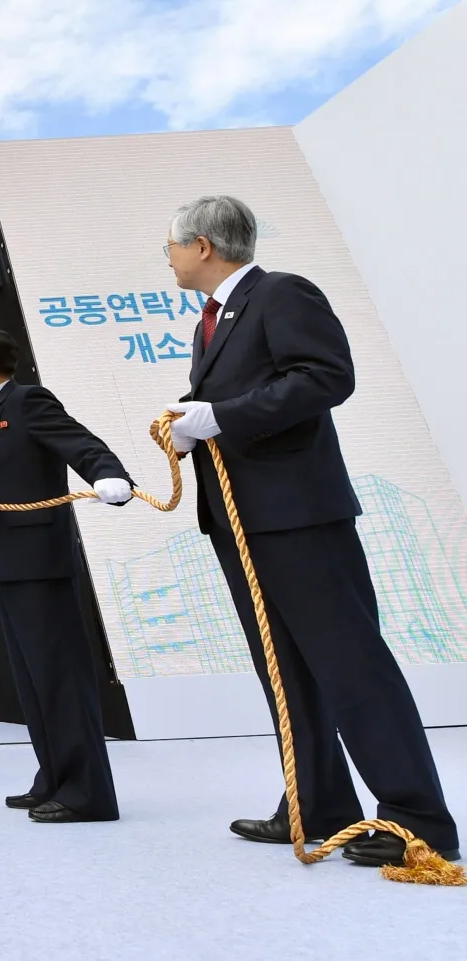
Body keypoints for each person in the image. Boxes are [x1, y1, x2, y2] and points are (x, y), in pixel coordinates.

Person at [163, 195, 458, 867]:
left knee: (352, 664)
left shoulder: (280, 294)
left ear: (203, 245)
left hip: (298, 516)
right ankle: (318, 804)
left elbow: (326, 377)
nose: (169, 259)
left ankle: (418, 818)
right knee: (286, 671)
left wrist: (221, 416)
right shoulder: (213, 322)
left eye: (172, 246)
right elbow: (247, 400)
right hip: (245, 523)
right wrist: (193, 427)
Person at [0, 328, 132, 824]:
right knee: (34, 682)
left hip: (37, 560)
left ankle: (86, 793)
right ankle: (53, 777)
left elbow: (80, 442)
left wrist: (108, 474)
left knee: (61, 678)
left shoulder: (28, 401)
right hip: (3, 562)